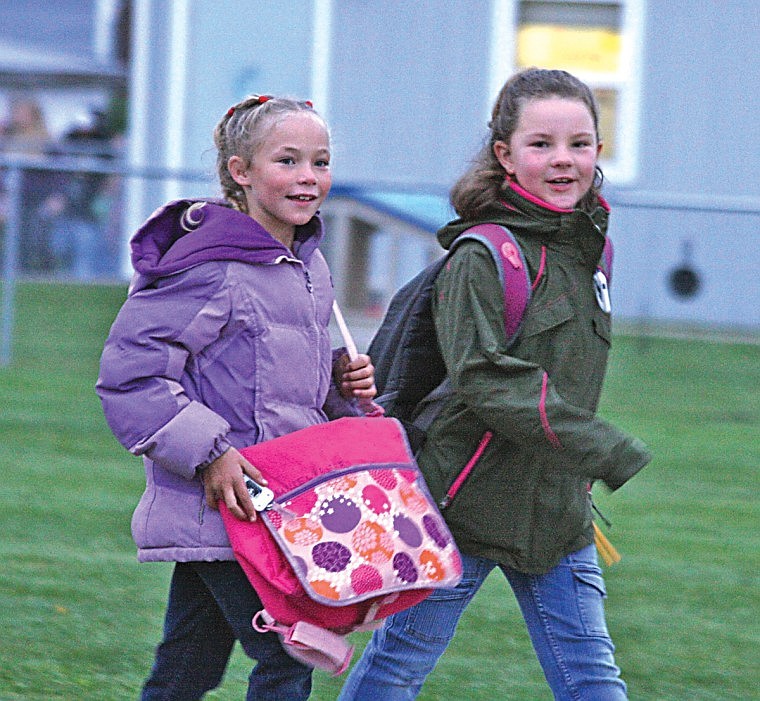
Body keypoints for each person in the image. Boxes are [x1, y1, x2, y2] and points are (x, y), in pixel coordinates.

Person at [339, 68, 652, 700]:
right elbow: (485, 379)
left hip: (555, 509)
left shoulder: (592, 251)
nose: (563, 160)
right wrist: (600, 445)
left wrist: (577, 464)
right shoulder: (483, 257)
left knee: (591, 674)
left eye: (580, 143)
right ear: (505, 156)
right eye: (541, 144)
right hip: (463, 504)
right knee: (399, 666)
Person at [96, 94, 378, 701]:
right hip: (224, 505)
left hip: (278, 505)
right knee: (289, 651)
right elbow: (133, 376)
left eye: (320, 162)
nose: (308, 177)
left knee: (186, 669)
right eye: (288, 160)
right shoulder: (209, 266)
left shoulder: (308, 265)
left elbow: (273, 383)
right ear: (240, 170)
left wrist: (339, 385)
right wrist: (210, 453)